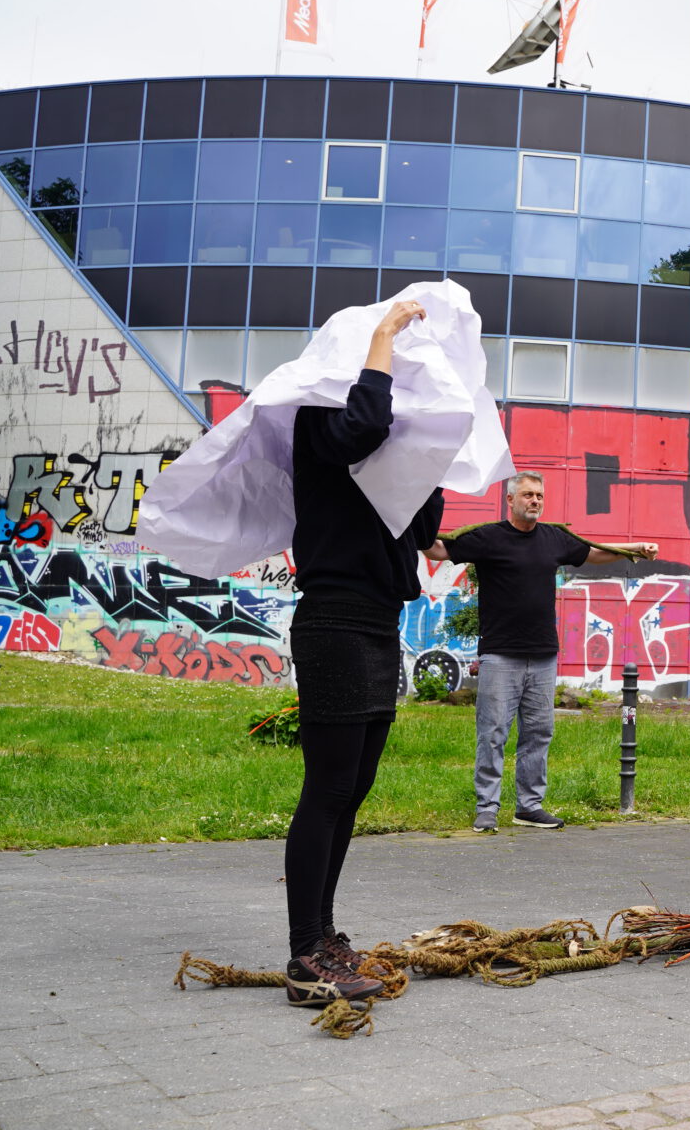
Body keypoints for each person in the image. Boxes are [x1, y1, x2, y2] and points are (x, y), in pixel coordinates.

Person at [282, 299, 445, 1007]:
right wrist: (383, 335)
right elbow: (365, 423)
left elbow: (425, 524)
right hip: (334, 620)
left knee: (353, 791)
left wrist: (428, 454)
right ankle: (302, 955)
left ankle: (324, 934)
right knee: (326, 790)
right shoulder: (321, 415)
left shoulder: (380, 437)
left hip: (380, 622)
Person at [427, 471, 657, 833]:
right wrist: (408, 522)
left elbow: (592, 552)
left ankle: (529, 806)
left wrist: (634, 550)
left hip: (543, 655)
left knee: (538, 732)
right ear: (510, 500)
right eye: (528, 495)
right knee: (493, 733)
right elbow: (438, 548)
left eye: (539, 496)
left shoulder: (553, 538)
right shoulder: (487, 537)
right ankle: (487, 807)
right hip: (500, 655)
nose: (535, 501)